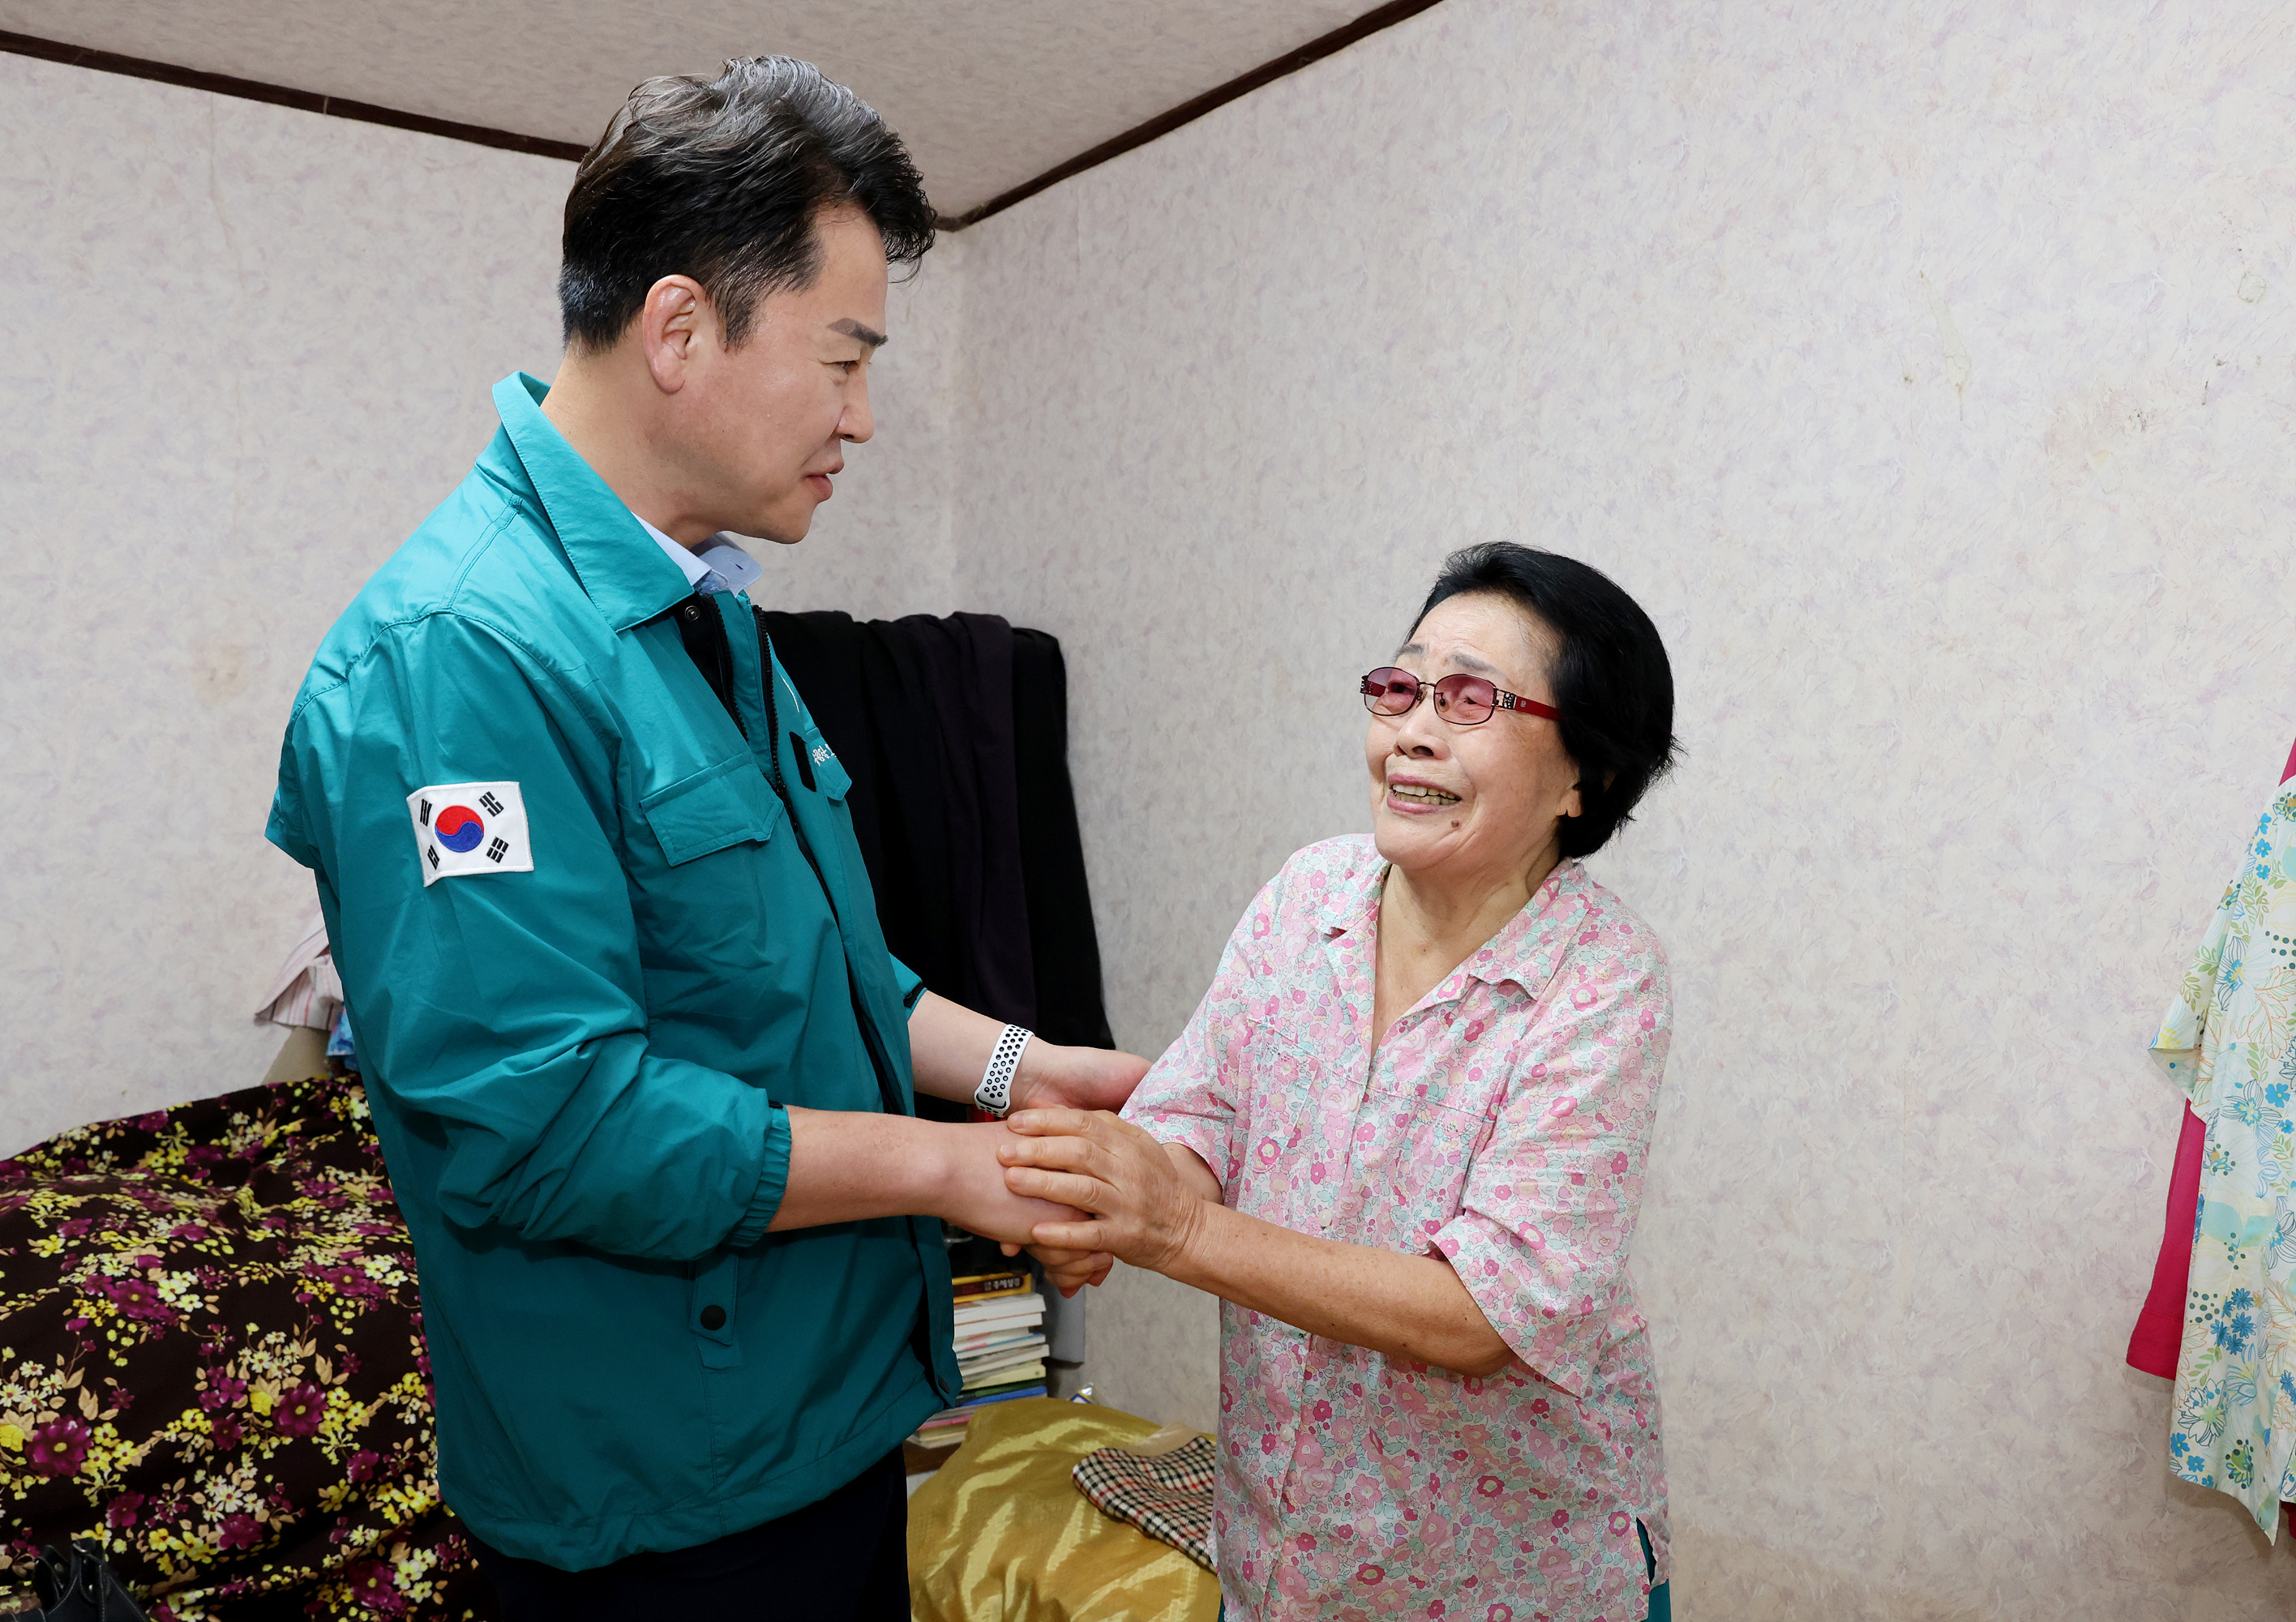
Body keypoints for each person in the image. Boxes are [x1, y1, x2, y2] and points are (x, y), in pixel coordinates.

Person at [263, 59, 1145, 1620]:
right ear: (680, 329)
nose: (865, 418)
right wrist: (960, 1170)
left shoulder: (699, 604)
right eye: (847, 359)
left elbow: (807, 959)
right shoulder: (460, 654)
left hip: (818, 1421)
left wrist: (1018, 1068)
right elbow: (552, 1123)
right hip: (664, 1494)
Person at [1000, 542, 1681, 1621]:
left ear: (1585, 776)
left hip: (1501, 1580)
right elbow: (1198, 1114)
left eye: (1470, 699)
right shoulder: (1307, 893)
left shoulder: (1600, 982)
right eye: (1402, 686)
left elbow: (1483, 1315)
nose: (1412, 727)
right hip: (1280, 1563)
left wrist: (1173, 1225)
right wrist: (1111, 1195)